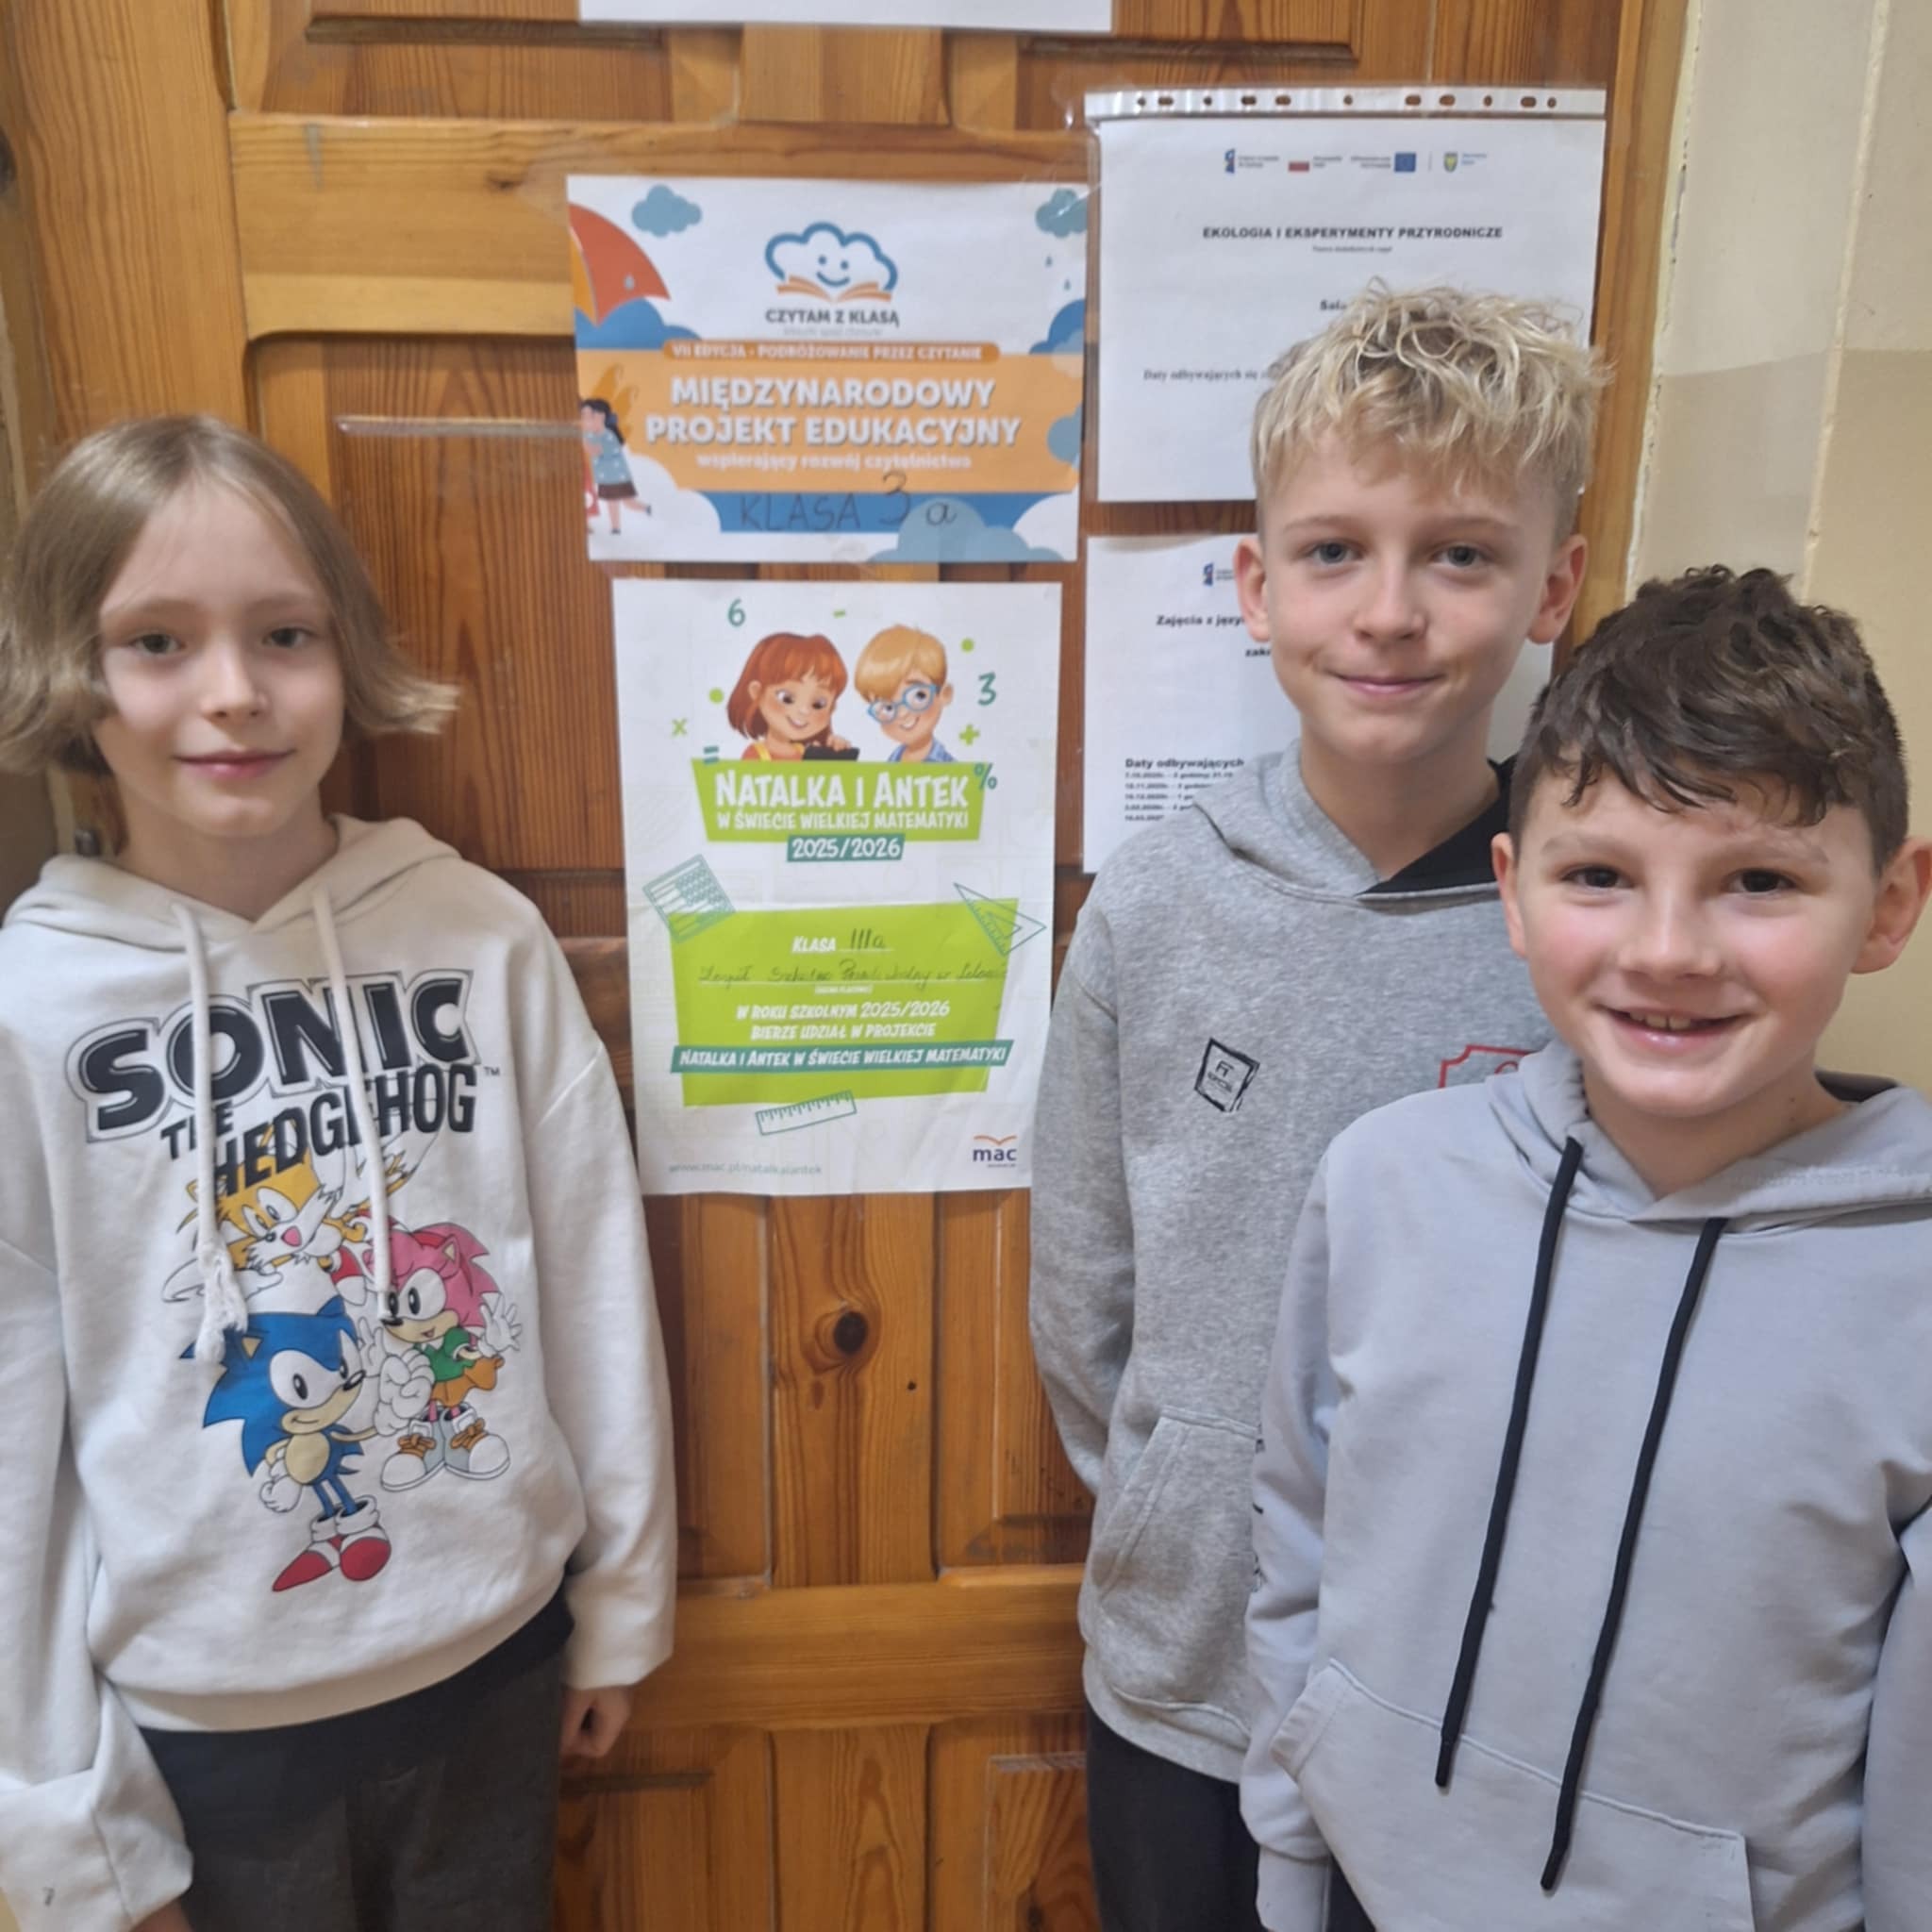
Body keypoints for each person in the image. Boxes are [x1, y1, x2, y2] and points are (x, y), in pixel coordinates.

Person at [0, 415, 677, 1932]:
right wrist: (59, 1825)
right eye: (157, 641)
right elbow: (12, 1436)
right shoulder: (31, 1009)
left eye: (283, 634)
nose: (232, 692)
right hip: (203, 1730)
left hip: (495, 1661)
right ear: (71, 670)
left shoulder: (477, 935)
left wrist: (623, 1603)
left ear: (345, 652)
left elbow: (588, 1274)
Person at [1244, 566, 1932, 1931]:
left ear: (1887, 904)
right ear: (1514, 890)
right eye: (1600, 875)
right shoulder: (1384, 1180)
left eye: (1758, 879)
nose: (1667, 950)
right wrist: (1287, 1861)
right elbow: (1299, 1540)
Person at [1029, 284, 1597, 1932]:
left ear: (1553, 587)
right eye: (1335, 551)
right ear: (1255, 584)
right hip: (1184, 1677)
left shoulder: (1596, 929)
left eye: (1461, 554)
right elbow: (1085, 1289)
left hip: (1485, 1700)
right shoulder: (1153, 902)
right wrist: (1181, 1492)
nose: (1389, 613)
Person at [724, 629, 855, 761]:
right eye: (787, 698)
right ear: (757, 693)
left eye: (818, 704)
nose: (804, 710)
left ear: (832, 708)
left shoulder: (807, 753)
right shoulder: (756, 755)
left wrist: (835, 754)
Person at [853, 625, 957, 764]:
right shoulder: (892, 761)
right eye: (887, 707)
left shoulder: (950, 769)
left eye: (918, 696)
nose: (902, 713)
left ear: (945, 694)